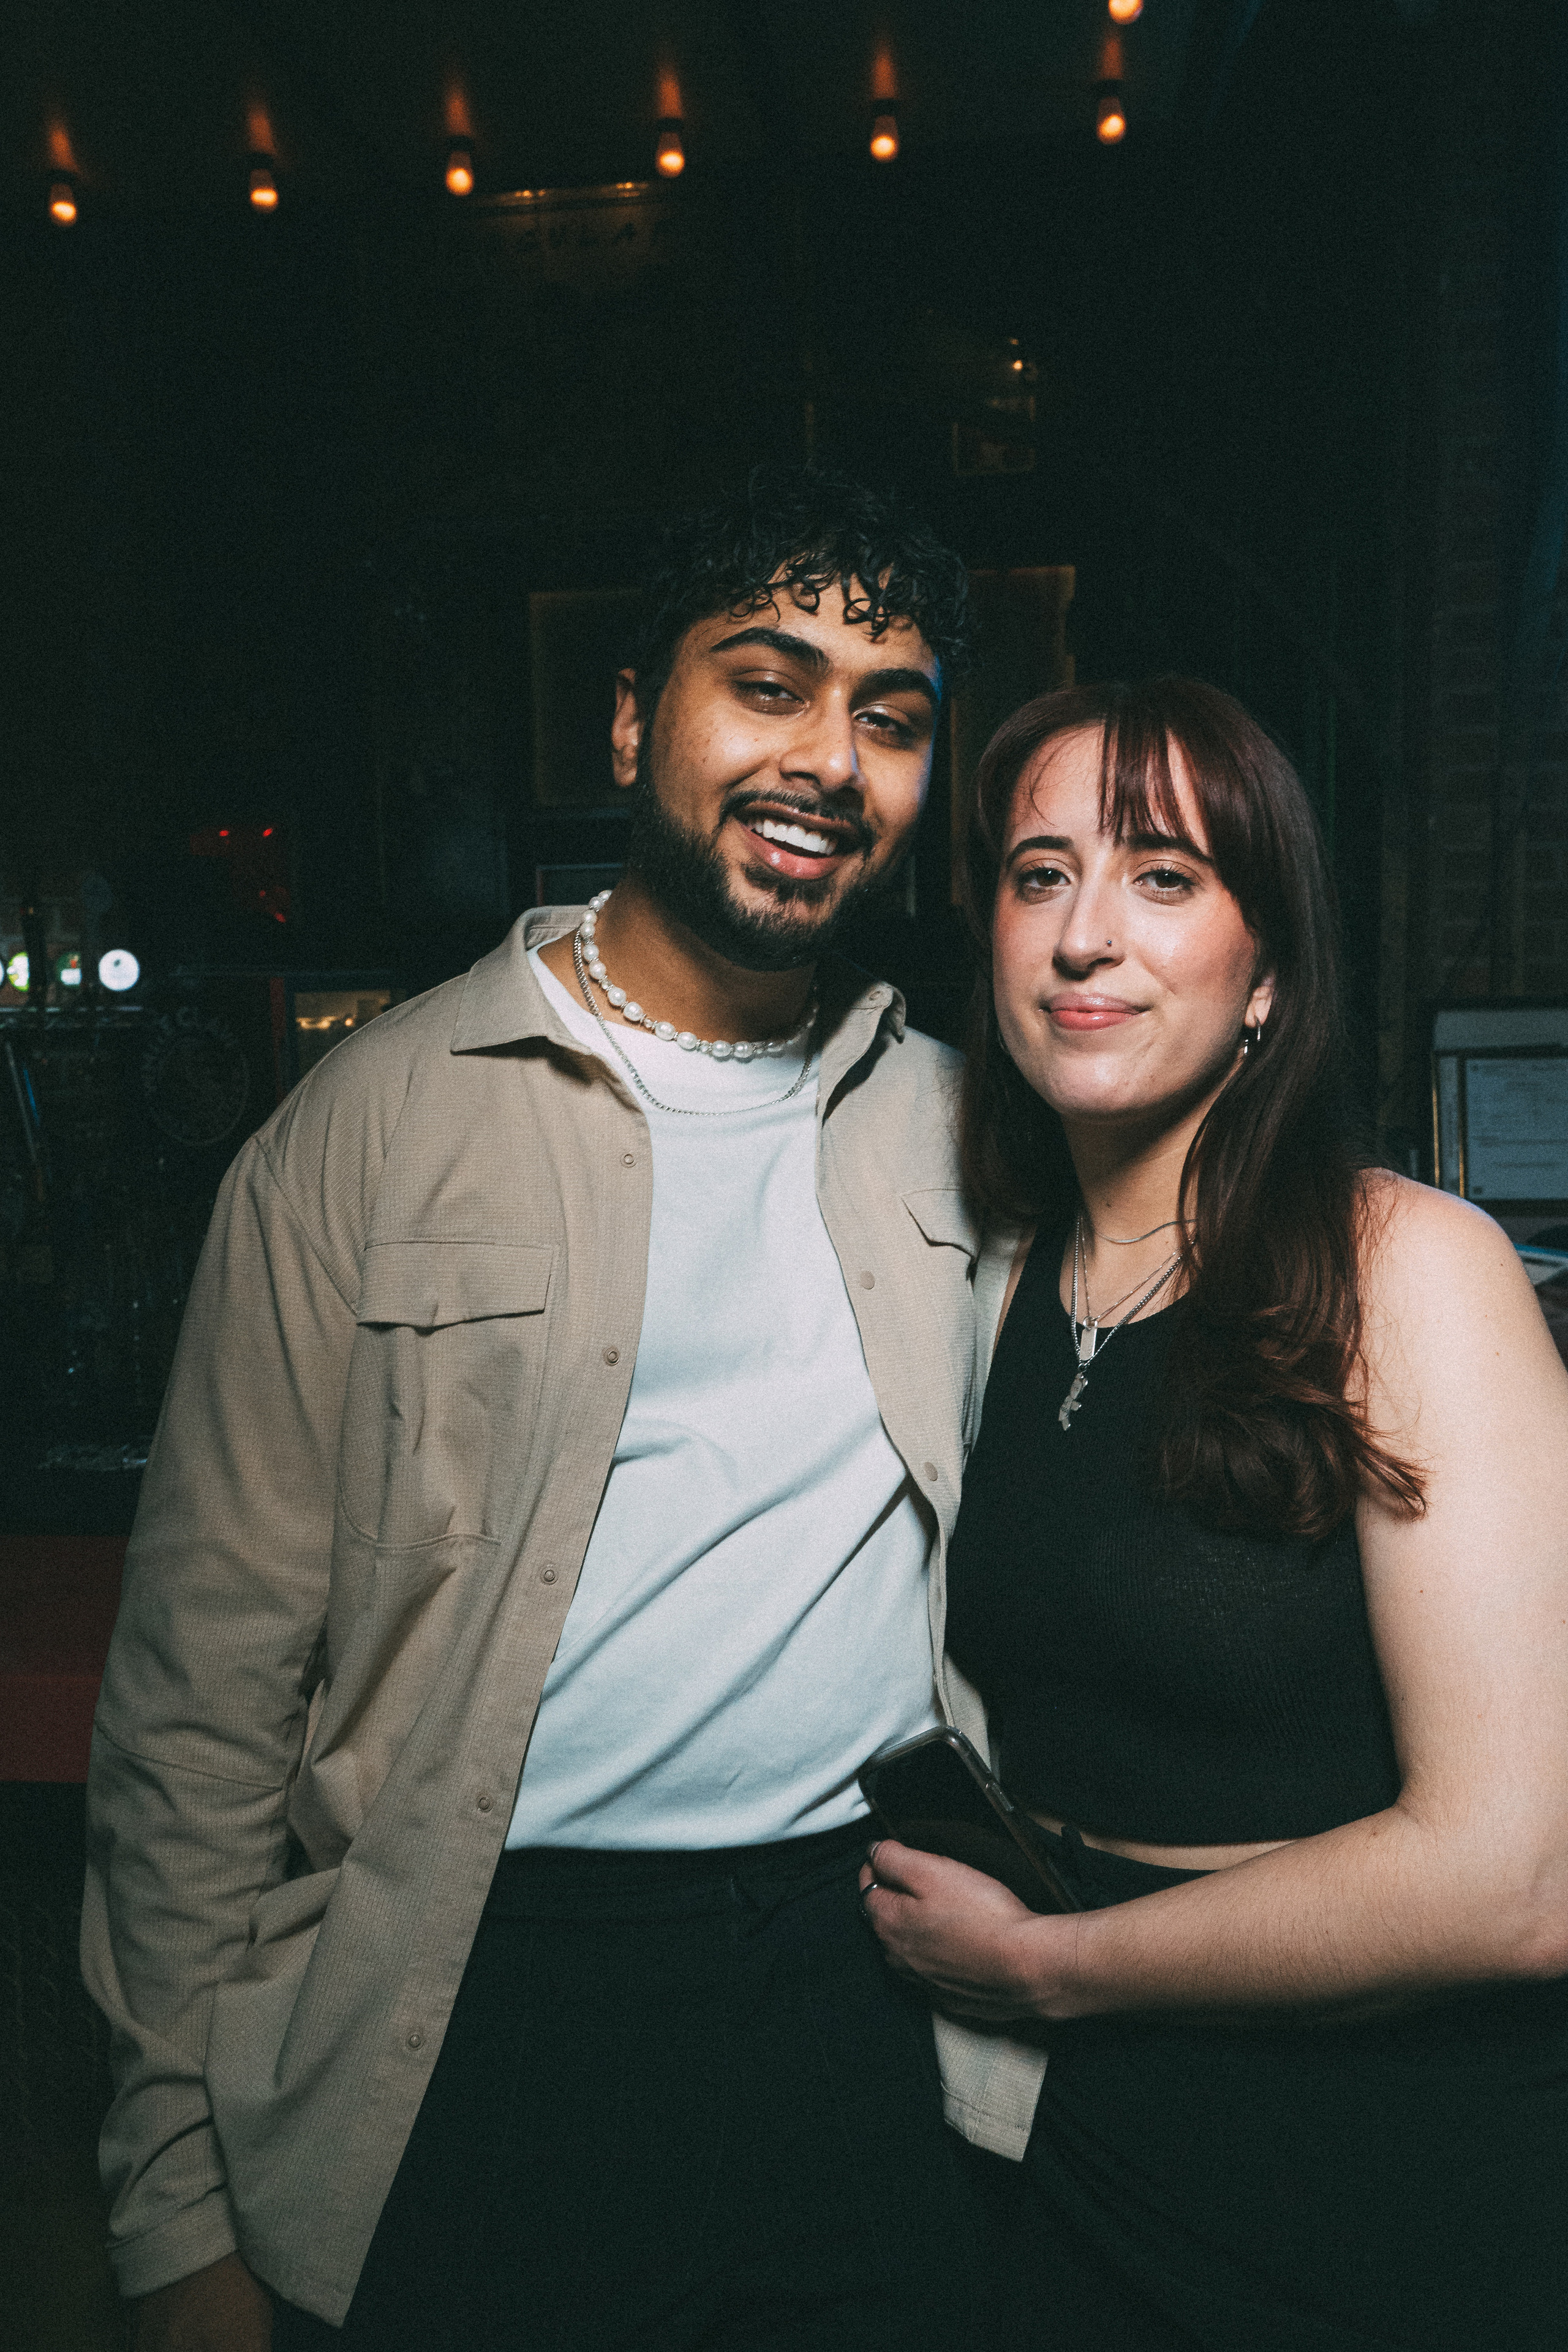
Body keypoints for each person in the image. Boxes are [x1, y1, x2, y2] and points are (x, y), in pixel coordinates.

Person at [83, 467, 1008, 2351]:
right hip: (491, 1998)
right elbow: (199, 1697)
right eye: (768, 682)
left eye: (890, 716)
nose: (830, 758)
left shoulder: (974, 1126)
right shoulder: (368, 1128)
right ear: (625, 717)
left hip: (877, 1984)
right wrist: (171, 2199)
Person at [860, 676, 1568, 2350]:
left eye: (1164, 876)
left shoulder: (1408, 1272)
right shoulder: (994, 1280)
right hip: (1071, 2150)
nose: (1084, 937)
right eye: (1040, 875)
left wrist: (1057, 1969)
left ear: (1268, 976)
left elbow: (1518, 1879)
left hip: (1386, 2162)